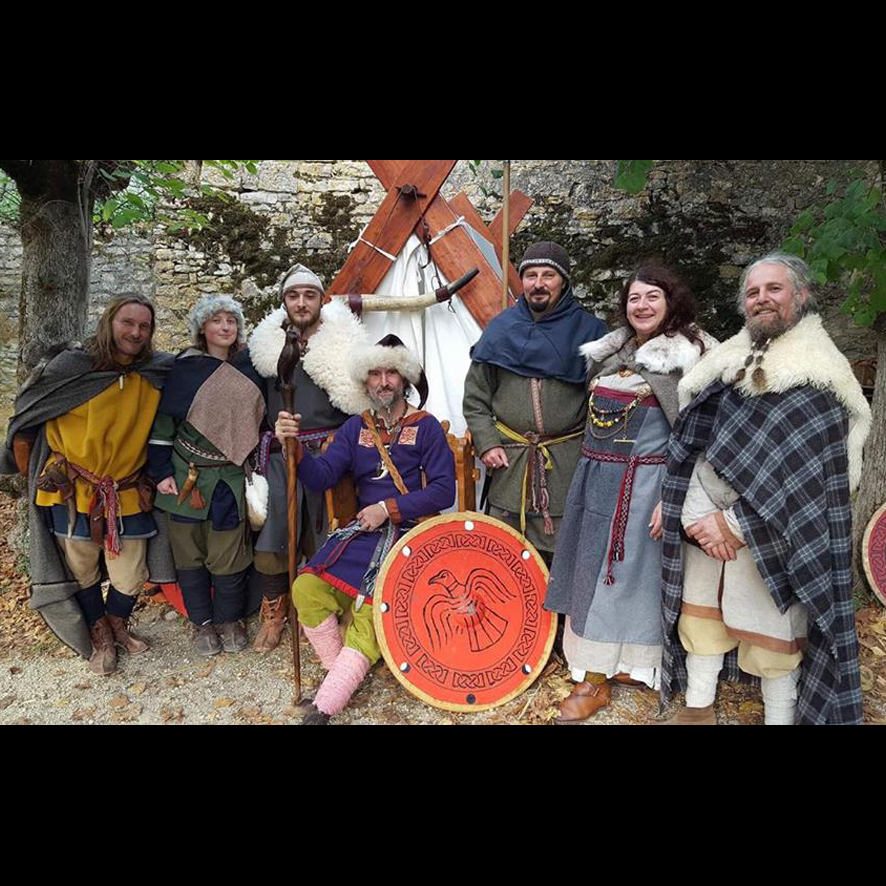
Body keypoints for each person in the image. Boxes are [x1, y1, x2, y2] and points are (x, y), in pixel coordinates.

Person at [661, 253, 871, 725]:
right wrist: (698, 516)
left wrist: (734, 525)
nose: (762, 299)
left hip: (774, 535)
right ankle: (697, 710)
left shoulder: (820, 375)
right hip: (706, 523)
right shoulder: (725, 364)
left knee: (775, 641)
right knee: (701, 622)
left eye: (774, 289)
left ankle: (779, 718)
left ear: (802, 295)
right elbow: (693, 446)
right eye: (753, 292)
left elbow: (813, 482)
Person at [545, 263, 717, 722]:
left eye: (652, 297)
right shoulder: (612, 353)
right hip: (595, 483)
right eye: (634, 298)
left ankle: (621, 672)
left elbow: (701, 437)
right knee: (590, 577)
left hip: (646, 488)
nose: (641, 306)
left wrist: (675, 496)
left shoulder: (690, 357)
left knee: (630, 582)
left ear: (671, 302)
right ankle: (595, 671)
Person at [277, 335, 456, 725]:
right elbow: (321, 477)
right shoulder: (355, 428)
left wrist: (387, 508)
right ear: (365, 381)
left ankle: (326, 704)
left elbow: (444, 491)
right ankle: (341, 674)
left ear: (404, 379)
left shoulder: (426, 427)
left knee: (377, 607)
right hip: (363, 533)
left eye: (391, 372)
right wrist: (295, 450)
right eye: (375, 374)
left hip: (411, 535)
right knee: (305, 588)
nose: (383, 381)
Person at [1, 295, 175, 675]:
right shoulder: (71, 368)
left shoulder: (156, 371)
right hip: (72, 489)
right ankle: (100, 635)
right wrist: (27, 468)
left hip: (127, 490)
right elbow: (28, 414)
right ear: (110, 321)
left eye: (144, 326)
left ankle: (116, 623)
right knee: (80, 568)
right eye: (127, 322)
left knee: (130, 572)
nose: (136, 332)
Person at [247, 264, 369, 652]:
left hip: (329, 453)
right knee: (274, 534)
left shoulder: (344, 344)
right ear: (283, 301)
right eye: (293, 295)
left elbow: (360, 401)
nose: (301, 302)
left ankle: (315, 610)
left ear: (321, 300)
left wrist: (344, 442)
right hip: (281, 452)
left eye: (309, 295)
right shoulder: (265, 348)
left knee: (326, 535)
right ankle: (275, 610)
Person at [464, 242, 607, 558]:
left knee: (562, 559)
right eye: (530, 275)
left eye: (548, 275)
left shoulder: (591, 332)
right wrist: (487, 443)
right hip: (511, 466)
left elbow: (604, 402)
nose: (538, 284)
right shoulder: (500, 330)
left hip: (565, 469)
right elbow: (475, 398)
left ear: (563, 282)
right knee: (503, 560)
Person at [148, 296, 266, 656]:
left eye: (232, 320)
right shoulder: (185, 368)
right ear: (203, 327)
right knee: (189, 554)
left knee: (228, 552)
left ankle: (230, 620)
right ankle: (201, 624)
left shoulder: (251, 369)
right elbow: (163, 427)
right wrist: (161, 472)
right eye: (217, 320)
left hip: (229, 478)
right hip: (186, 476)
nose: (225, 327)